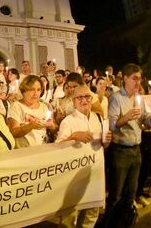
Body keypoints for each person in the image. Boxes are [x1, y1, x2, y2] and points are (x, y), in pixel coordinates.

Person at [102, 63, 151, 228]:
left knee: (130, 195)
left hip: (136, 151)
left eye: (140, 79)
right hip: (119, 152)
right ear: (125, 79)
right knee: (116, 196)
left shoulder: (139, 99)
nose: (138, 82)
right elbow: (111, 126)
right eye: (134, 78)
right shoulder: (116, 98)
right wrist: (125, 117)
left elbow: (146, 124)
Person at [56, 85, 111, 228]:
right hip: (73, 181)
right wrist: (74, 136)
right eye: (79, 97)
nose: (84, 100)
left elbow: (103, 146)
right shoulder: (68, 121)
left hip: (95, 176)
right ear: (73, 101)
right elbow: (57, 149)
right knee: (71, 220)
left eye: (87, 97)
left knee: (90, 217)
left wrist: (107, 142)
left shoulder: (98, 118)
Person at [7, 75, 54, 147]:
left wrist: (51, 125)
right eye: (32, 89)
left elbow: (53, 127)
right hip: (24, 152)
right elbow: (14, 132)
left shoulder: (44, 106)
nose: (36, 93)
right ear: (24, 91)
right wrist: (31, 126)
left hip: (42, 148)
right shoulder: (16, 106)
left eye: (38, 90)